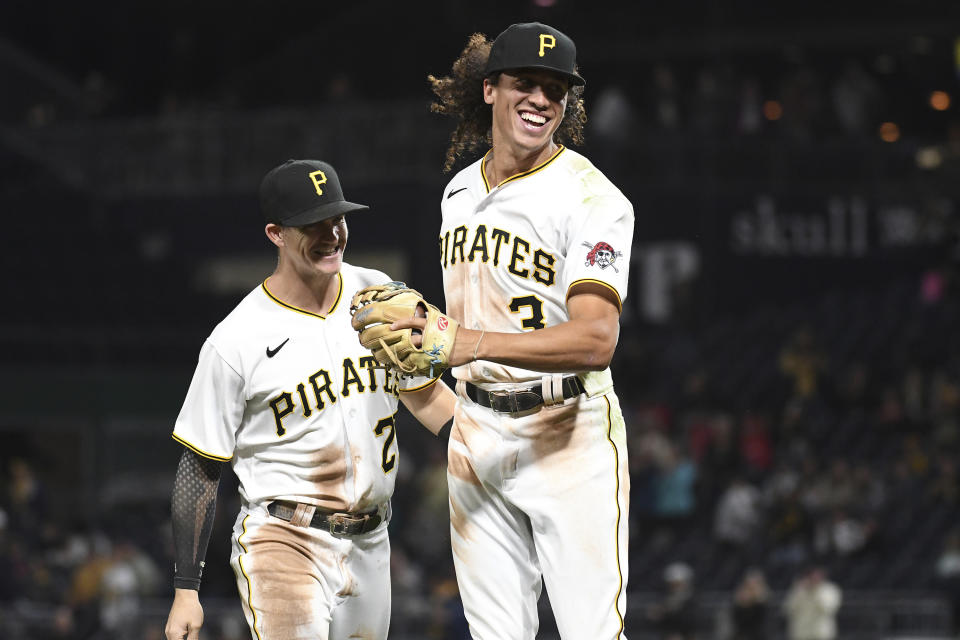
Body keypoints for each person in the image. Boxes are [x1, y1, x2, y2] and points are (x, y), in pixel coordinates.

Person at [163, 159, 456, 640]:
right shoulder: (236, 338)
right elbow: (199, 466)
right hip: (284, 539)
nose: (332, 234)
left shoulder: (376, 294)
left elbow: (424, 394)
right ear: (276, 233)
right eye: (312, 225)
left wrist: (491, 442)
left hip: (372, 540)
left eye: (337, 220)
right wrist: (185, 589)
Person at [424, 21, 634, 639]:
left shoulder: (594, 199)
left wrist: (470, 344)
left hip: (568, 434)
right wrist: (424, 342)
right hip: (476, 432)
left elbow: (597, 339)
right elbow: (463, 325)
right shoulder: (458, 193)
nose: (541, 100)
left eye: (556, 90)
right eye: (526, 83)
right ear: (491, 89)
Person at [782, 565, 842, 640]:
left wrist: (815, 592)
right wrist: (798, 592)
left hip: (821, 634)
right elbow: (787, 609)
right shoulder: (799, 590)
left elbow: (827, 609)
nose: (814, 579)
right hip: (800, 634)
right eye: (811, 576)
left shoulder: (830, 590)